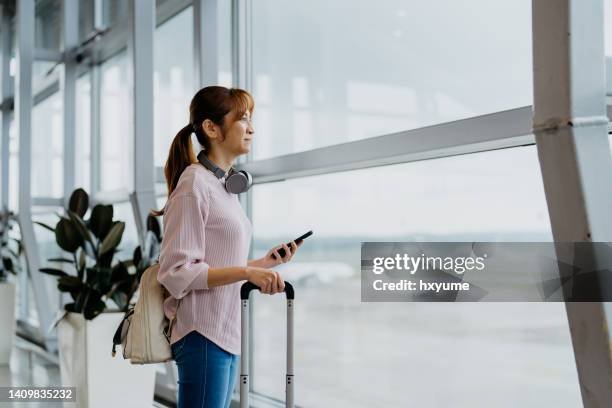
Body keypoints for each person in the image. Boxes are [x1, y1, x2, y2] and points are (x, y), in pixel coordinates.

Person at [152, 86, 300, 408]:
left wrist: (264, 264)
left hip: (225, 331)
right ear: (211, 128)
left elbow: (217, 262)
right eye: (243, 119)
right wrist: (247, 271)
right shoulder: (194, 185)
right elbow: (177, 272)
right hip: (202, 332)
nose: (252, 128)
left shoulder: (222, 187)